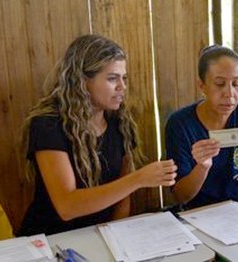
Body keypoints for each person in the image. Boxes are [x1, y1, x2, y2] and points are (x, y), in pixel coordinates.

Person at [17, 35, 177, 236]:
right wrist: (138, 179)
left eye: (123, 78)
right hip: (51, 239)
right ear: (82, 81)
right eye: (112, 78)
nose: (122, 86)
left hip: (101, 236)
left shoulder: (120, 122)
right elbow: (67, 206)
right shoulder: (48, 124)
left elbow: (122, 200)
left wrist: (114, 237)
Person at [165, 45, 238, 209]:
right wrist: (202, 167)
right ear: (202, 85)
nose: (229, 93)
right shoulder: (181, 124)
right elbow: (181, 196)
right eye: (220, 84)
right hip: (203, 213)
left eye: (236, 83)